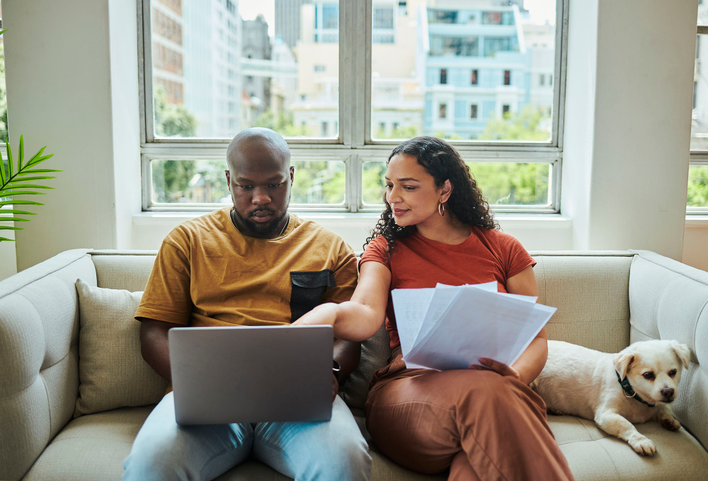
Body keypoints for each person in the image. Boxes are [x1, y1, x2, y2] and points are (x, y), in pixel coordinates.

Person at [294, 136, 575, 480]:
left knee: (477, 457)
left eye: (408, 187)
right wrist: (327, 316)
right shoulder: (385, 249)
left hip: (492, 397)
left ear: (445, 190)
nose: (392, 197)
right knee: (488, 394)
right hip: (408, 394)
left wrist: (513, 378)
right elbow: (366, 312)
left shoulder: (504, 249)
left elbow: (534, 339)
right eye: (389, 185)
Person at [123, 128, 371, 481]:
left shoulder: (331, 249)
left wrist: (328, 372)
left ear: (291, 178)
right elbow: (154, 333)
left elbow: (349, 337)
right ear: (228, 180)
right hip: (208, 404)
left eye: (274, 184)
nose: (261, 198)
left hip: (297, 404)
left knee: (343, 461)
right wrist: (204, 384)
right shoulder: (187, 241)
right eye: (246, 185)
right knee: (152, 463)